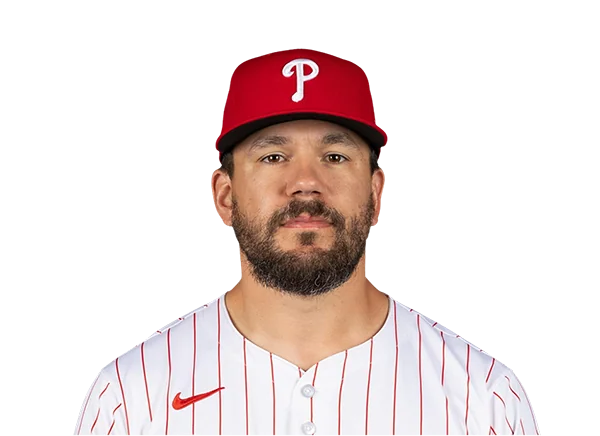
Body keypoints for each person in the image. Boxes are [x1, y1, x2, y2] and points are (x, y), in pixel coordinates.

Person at [75, 48, 540, 436]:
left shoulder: (484, 399)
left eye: (334, 156)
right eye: (273, 156)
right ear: (224, 195)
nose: (305, 183)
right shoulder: (131, 398)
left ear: (375, 193)